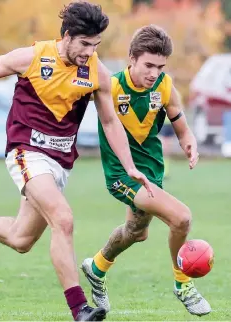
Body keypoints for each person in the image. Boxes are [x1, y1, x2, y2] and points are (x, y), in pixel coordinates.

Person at [0, 2, 153, 321]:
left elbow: (109, 122)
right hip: (25, 152)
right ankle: (79, 308)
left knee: (21, 238)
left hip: (59, 163)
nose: (90, 51)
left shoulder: (96, 72)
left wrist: (130, 165)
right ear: (66, 36)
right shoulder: (34, 57)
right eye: (84, 44)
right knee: (63, 219)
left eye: (96, 45)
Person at [81, 25, 211, 317]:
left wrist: (189, 142)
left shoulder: (164, 86)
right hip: (121, 175)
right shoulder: (111, 87)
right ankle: (183, 284)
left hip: (151, 172)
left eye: (160, 66)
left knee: (136, 232)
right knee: (181, 218)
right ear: (131, 59)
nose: (154, 73)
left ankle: (96, 268)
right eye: (148, 65)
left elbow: (181, 125)